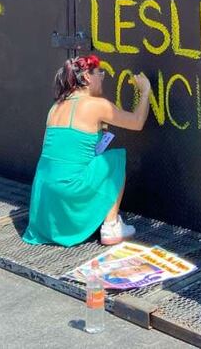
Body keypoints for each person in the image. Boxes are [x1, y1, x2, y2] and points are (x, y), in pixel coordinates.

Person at [22, 54, 153, 247]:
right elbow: (137, 122)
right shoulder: (97, 105)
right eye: (99, 72)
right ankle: (111, 226)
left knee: (94, 164)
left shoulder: (56, 106)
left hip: (46, 201)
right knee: (115, 159)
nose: (102, 77)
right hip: (69, 192)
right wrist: (145, 92)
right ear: (88, 77)